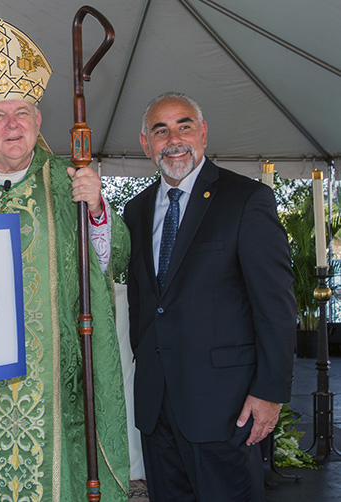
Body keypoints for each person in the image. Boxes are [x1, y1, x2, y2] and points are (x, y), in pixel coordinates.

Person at [0, 17, 131, 501]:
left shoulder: (70, 180)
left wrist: (98, 211)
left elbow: (116, 259)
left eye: (22, 112)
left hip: (53, 386)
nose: (12, 124)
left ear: (39, 121)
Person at [122, 91, 296, 501]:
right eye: (160, 130)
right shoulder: (135, 211)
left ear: (203, 133)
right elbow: (143, 305)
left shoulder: (246, 200)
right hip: (157, 409)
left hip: (227, 409)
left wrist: (269, 392)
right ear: (146, 145)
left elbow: (275, 305)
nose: (174, 138)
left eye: (184, 125)